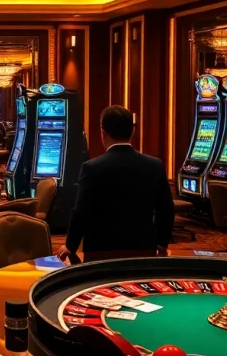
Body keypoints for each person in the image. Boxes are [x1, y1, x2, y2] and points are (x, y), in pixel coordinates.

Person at [57, 105, 174, 264]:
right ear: (133, 132)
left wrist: (70, 245)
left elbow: (81, 212)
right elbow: (166, 210)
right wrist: (161, 243)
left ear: (102, 133)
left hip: (100, 251)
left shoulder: (91, 168)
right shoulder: (155, 165)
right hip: (143, 248)